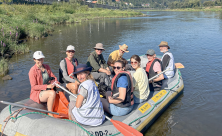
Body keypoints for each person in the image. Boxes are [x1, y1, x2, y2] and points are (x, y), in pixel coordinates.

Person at [29, 51, 57, 117]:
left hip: (47, 89)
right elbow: (34, 87)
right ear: (34, 60)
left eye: (41, 59)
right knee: (52, 93)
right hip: (38, 93)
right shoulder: (32, 71)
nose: (40, 61)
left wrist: (56, 82)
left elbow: (53, 77)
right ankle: (50, 113)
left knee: (61, 89)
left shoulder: (47, 67)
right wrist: (47, 86)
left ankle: (58, 108)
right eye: (38, 59)